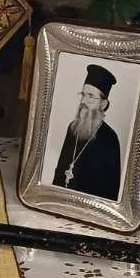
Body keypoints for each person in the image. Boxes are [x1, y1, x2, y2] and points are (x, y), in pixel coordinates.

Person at [52, 64, 121, 199]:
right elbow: (60, 170)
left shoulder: (110, 138)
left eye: (91, 96)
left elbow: (111, 189)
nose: (83, 101)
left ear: (103, 104)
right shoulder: (73, 128)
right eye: (83, 95)